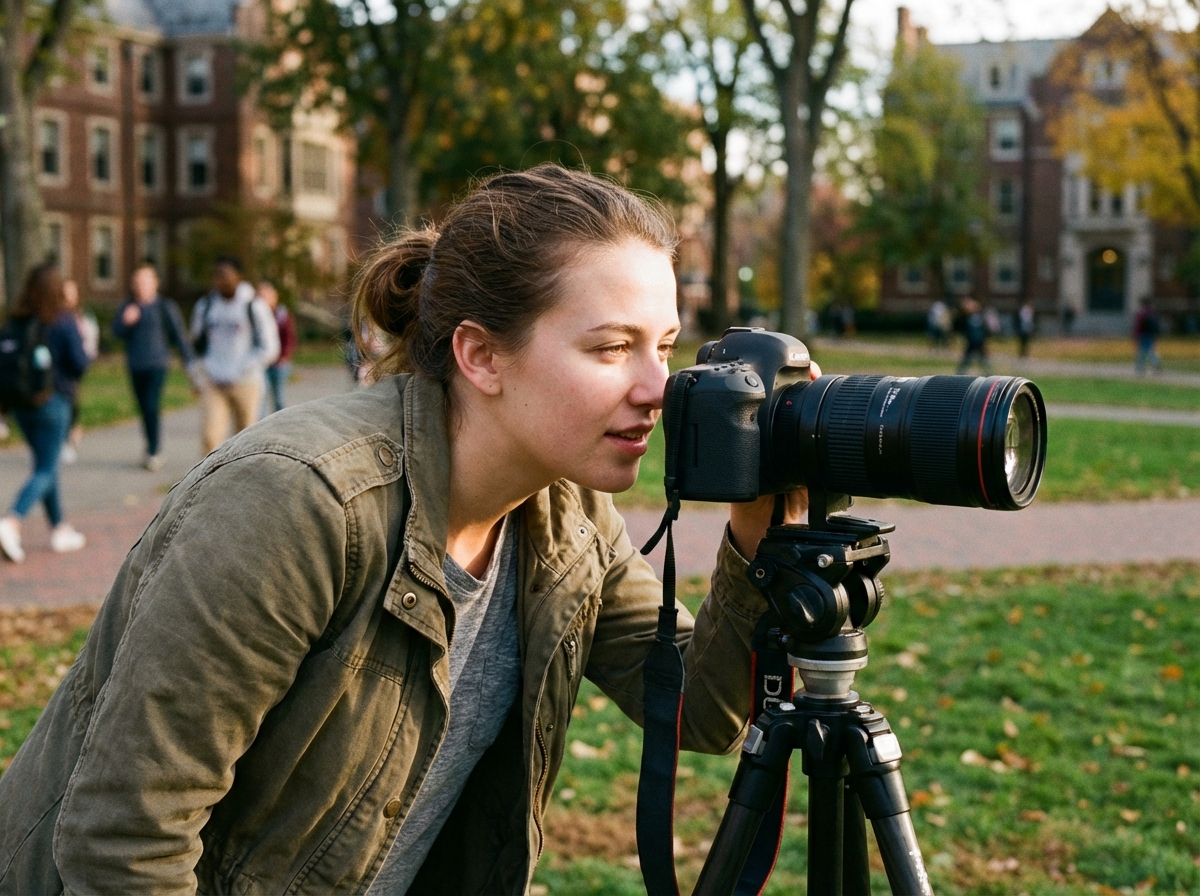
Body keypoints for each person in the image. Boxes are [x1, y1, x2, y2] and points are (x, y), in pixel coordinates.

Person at [0, 164, 818, 893]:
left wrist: (757, 531)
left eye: (666, 348)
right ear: (482, 357)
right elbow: (126, 843)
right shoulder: (299, 503)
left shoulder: (568, 522)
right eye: (612, 349)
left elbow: (704, 713)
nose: (657, 388)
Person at [0, 264, 90, 563]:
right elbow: (80, 363)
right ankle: (12, 522)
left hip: (22, 407)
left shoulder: (17, 320)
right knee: (46, 469)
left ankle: (60, 529)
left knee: (45, 464)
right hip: (54, 403)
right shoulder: (62, 321)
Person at [189, 255, 280, 454]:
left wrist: (244, 367)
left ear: (237, 277)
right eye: (216, 276)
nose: (220, 281)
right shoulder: (206, 307)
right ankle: (209, 483)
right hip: (214, 381)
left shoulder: (253, 306)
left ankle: (245, 482)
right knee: (210, 437)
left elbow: (270, 347)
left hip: (246, 382)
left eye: (225, 275)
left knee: (245, 440)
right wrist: (199, 372)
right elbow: (197, 344)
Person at [112, 263, 197, 470]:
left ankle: (154, 450)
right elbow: (116, 332)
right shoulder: (129, 306)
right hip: (135, 365)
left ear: (154, 283)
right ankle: (150, 445)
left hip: (157, 364)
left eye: (145, 281)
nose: (140, 286)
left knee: (151, 405)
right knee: (144, 408)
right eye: (137, 282)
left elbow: (178, 336)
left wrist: (190, 364)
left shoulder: (164, 307)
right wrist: (126, 322)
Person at [59, 279, 99, 465]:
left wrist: (86, 357)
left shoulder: (82, 317)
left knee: (71, 401)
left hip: (74, 366)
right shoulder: (56, 317)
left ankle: (70, 435)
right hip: (60, 368)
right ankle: (68, 437)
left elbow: (91, 339)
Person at [258, 280, 297, 414]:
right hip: (261, 364)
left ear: (274, 297)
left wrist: (283, 356)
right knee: (260, 399)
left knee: (279, 398)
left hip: (279, 364)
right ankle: (260, 428)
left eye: (265, 296)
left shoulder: (282, 315)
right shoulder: (255, 316)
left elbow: (289, 338)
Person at [957, 297, 991, 374]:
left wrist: (985, 341)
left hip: (980, 341)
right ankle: (960, 373)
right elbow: (960, 324)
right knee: (967, 359)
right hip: (971, 341)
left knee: (983, 359)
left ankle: (988, 373)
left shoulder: (980, 316)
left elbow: (984, 329)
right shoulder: (966, 317)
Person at [1133, 296, 1163, 374]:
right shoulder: (1152, 312)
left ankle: (1142, 369)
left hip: (1143, 334)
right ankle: (1143, 368)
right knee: (1147, 351)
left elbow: (1138, 326)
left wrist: (1136, 335)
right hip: (1151, 334)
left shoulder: (1141, 313)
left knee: (1144, 352)